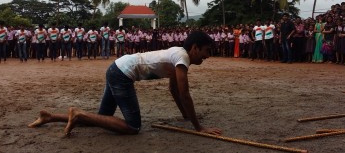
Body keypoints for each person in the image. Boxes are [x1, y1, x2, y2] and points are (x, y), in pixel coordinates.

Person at [28, 31, 222, 136]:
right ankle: (77, 113)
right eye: (206, 51)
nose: (207, 56)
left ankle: (50, 117)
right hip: (122, 73)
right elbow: (185, 93)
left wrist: (186, 116)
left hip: (117, 68)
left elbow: (174, 90)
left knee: (103, 118)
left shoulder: (177, 55)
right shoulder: (182, 57)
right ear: (195, 48)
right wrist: (198, 128)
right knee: (132, 127)